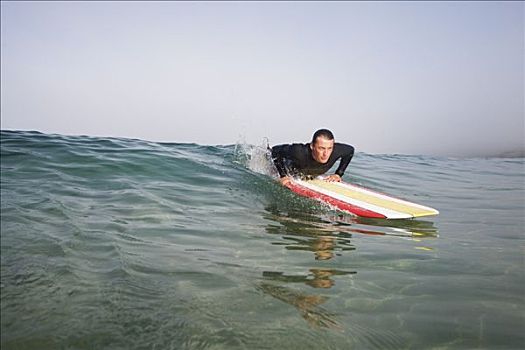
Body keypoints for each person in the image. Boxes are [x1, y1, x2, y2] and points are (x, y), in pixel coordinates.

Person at [271, 129, 355, 186]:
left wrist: (338, 174)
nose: (326, 154)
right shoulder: (299, 152)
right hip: (286, 165)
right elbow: (275, 150)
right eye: (321, 148)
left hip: (305, 171)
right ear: (312, 146)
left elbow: (350, 151)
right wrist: (283, 175)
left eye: (329, 148)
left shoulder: (337, 151)